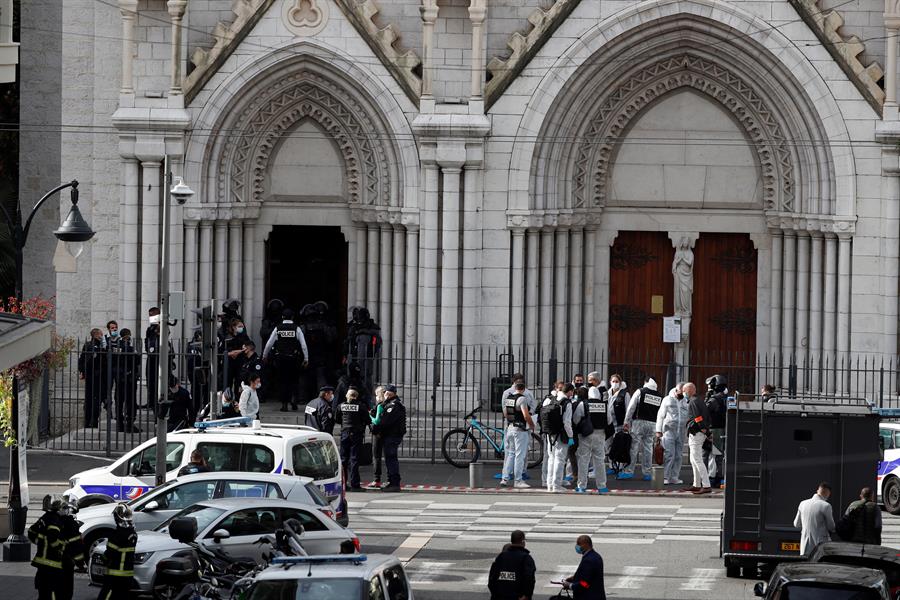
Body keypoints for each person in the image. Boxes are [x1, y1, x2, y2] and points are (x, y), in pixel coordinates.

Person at [29, 496, 85, 600]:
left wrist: (40, 544)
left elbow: (32, 532)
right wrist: (80, 564)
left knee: (45, 592)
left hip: (44, 565)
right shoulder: (69, 524)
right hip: (62, 564)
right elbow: (76, 547)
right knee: (63, 593)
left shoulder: (48, 518)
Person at [263, 309, 310, 412]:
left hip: (280, 358)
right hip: (293, 358)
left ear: (282, 317)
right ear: (292, 317)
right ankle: (293, 399)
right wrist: (306, 358)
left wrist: (264, 356)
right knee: (294, 380)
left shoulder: (278, 328)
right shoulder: (296, 328)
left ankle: (284, 404)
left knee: (282, 381)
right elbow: (303, 345)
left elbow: (269, 344)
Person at [574, 376, 611, 494]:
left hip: (586, 435)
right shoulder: (604, 405)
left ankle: (581, 486)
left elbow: (575, 419)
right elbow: (609, 421)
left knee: (583, 460)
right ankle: (602, 487)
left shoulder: (584, 404)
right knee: (600, 461)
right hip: (600, 435)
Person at [621, 377, 663, 480]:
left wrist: (626, 421)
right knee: (648, 448)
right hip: (653, 423)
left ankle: (628, 471)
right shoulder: (660, 396)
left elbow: (631, 407)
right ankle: (647, 473)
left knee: (634, 447)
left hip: (639, 422)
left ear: (645, 382)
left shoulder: (640, 391)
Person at [98, 503, 138, 600]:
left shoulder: (116, 535)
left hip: (115, 576)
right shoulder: (133, 534)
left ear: (117, 518)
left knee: (106, 596)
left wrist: (103, 558)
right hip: (128, 575)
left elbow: (110, 554)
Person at [501, 381, 535, 489]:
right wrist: (532, 425)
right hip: (520, 430)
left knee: (511, 454)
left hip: (510, 427)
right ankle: (518, 480)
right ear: (524, 389)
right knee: (520, 455)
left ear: (515, 387)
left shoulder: (509, 398)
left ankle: (505, 478)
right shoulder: (522, 399)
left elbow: (506, 414)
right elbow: (526, 415)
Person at [541, 383, 574, 493]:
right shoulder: (566, 403)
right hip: (561, 434)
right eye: (572, 392)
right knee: (560, 459)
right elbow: (567, 422)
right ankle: (557, 485)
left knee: (551, 459)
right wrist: (571, 436)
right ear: (569, 391)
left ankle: (549, 484)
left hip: (549, 433)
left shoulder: (550, 399)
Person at [336, 388, 371, 491]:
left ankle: (343, 483)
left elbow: (337, 419)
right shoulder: (361, 406)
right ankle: (355, 484)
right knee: (354, 459)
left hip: (345, 434)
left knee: (343, 460)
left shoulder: (341, 406)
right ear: (356, 396)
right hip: (356, 434)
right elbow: (367, 419)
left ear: (347, 396)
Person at [655, 382, 689, 485]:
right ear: (677, 389)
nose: (683, 393)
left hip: (681, 431)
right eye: (682, 391)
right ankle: (666, 476)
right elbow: (661, 415)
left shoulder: (685, 400)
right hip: (669, 430)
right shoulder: (667, 399)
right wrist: (658, 430)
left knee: (679, 455)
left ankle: (674, 477)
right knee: (670, 454)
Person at [488, 530, 536, 600]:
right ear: (523, 541)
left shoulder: (501, 556)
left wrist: (495, 594)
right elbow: (529, 578)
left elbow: (492, 578)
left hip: (500, 596)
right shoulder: (525, 558)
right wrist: (527, 595)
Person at [344, 307, 382, 390]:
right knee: (352, 377)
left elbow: (377, 343)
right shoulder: (352, 327)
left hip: (366, 357)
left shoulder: (371, 328)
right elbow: (348, 342)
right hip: (353, 356)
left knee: (365, 377)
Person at [793, 482, 836, 555]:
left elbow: (796, 524)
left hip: (805, 546)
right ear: (828, 493)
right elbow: (831, 527)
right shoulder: (826, 506)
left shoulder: (802, 503)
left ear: (817, 490)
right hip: (820, 547)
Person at [378, 384, 406, 492]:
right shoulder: (390, 404)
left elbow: (385, 422)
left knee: (391, 460)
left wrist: (377, 429)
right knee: (390, 459)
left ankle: (394, 483)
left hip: (392, 435)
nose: (385, 395)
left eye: (387, 393)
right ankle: (392, 481)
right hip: (391, 435)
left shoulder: (393, 405)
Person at [684, 382, 711, 494]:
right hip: (699, 432)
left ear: (689, 391)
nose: (684, 393)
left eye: (684, 391)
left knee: (697, 460)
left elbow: (698, 417)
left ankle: (706, 485)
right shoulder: (699, 400)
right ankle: (696, 484)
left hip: (696, 433)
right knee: (693, 459)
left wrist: (702, 428)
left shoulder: (693, 401)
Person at [78, 328, 107, 428]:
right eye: (100, 334)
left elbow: (82, 359)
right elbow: (84, 359)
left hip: (92, 376)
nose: (102, 336)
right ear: (96, 335)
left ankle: (90, 421)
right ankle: (92, 421)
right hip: (96, 376)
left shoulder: (91, 345)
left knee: (91, 399)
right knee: (95, 400)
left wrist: (82, 371)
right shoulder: (96, 345)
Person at [704, 374, 728, 488]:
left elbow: (704, 411)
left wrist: (707, 398)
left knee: (709, 454)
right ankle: (718, 477)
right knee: (718, 455)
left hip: (714, 429)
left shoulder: (714, 400)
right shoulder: (726, 398)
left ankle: (710, 478)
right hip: (722, 428)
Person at [562, 535, 606, 600]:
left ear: (586, 544)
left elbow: (585, 583)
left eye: (579, 544)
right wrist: (574, 578)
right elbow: (589, 576)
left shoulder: (588, 560)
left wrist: (570, 586)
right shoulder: (596, 556)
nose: (577, 546)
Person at [114, 328, 140, 433]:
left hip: (129, 378)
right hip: (123, 379)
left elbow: (136, 361)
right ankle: (122, 424)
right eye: (127, 336)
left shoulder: (129, 347)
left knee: (130, 402)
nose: (128, 338)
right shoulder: (120, 347)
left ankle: (128, 423)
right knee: (122, 402)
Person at [605, 375, 629, 475]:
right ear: (610, 382)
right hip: (609, 423)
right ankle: (611, 465)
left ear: (620, 382)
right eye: (613, 381)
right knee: (608, 445)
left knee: (619, 445)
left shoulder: (625, 394)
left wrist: (626, 422)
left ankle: (619, 465)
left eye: (616, 381)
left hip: (619, 423)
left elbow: (628, 409)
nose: (615, 383)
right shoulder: (607, 393)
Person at [369, 385, 386, 488]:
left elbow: (377, 421)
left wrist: (369, 416)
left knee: (376, 456)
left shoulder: (380, 406)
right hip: (385, 432)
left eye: (376, 395)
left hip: (378, 434)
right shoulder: (387, 404)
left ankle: (376, 479)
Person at [145, 306, 161, 412]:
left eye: (153, 315)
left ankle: (156, 401)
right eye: (150, 315)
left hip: (159, 358)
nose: (151, 317)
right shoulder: (150, 328)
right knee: (149, 379)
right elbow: (147, 340)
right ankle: (150, 401)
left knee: (156, 380)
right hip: (151, 357)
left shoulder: (161, 327)